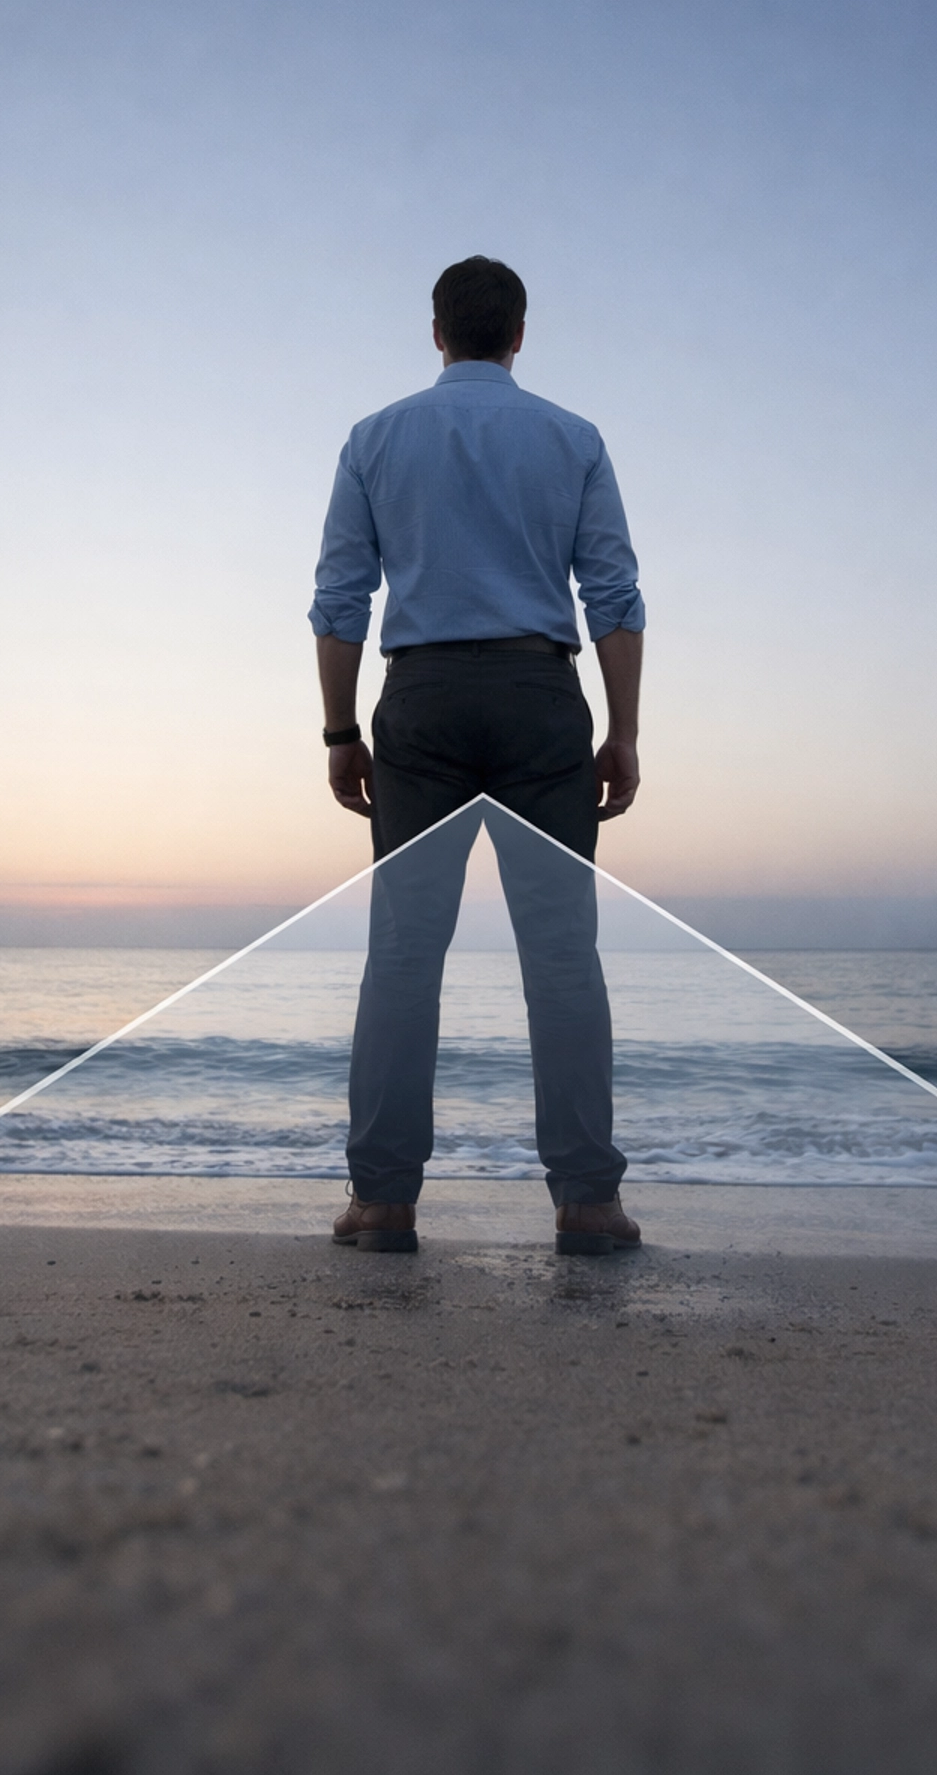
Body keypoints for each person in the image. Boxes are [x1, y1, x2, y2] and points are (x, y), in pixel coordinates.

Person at [309, 256, 646, 1255]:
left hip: (422, 698)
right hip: (540, 695)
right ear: (519, 334)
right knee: (563, 957)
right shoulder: (573, 439)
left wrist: (340, 731)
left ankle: (383, 1202)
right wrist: (623, 732)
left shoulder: (375, 438)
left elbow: (339, 601)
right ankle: (588, 1203)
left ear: (437, 331)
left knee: (405, 957)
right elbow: (614, 598)